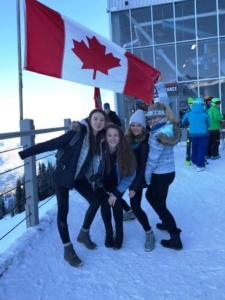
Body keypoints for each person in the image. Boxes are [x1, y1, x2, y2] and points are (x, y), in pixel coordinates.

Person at [18, 109, 108, 268]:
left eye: (102, 119)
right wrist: (25, 153)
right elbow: (52, 144)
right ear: (90, 119)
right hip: (63, 176)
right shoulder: (77, 133)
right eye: (96, 119)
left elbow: (94, 162)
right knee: (63, 211)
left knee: (96, 201)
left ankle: (83, 234)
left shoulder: (99, 139)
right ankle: (68, 249)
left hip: (79, 176)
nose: (99, 122)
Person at [145, 102, 182, 250]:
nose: (151, 121)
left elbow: (152, 160)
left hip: (160, 174)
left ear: (162, 117)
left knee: (160, 205)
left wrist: (147, 178)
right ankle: (166, 222)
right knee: (149, 196)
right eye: (149, 119)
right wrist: (159, 84)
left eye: (154, 118)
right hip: (169, 172)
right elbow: (165, 103)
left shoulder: (157, 135)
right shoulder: (167, 127)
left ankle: (175, 238)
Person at [97, 124, 136, 250]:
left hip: (118, 184)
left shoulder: (126, 151)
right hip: (103, 184)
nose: (112, 138)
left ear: (120, 136)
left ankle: (119, 233)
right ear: (105, 137)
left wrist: (116, 193)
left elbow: (130, 176)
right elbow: (96, 166)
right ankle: (109, 232)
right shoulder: (101, 148)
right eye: (109, 135)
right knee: (104, 206)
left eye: (115, 135)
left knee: (116, 204)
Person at [121, 109, 155, 252]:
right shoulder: (127, 139)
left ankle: (149, 232)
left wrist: (134, 187)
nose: (135, 128)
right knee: (111, 194)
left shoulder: (144, 143)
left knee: (136, 206)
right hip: (126, 176)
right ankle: (129, 211)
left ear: (143, 127)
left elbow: (142, 168)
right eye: (133, 125)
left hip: (138, 180)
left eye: (138, 125)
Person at [182, 97, 210, 171]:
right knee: (202, 149)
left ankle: (194, 160)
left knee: (195, 147)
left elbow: (183, 122)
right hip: (204, 134)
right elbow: (209, 123)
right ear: (202, 104)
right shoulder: (205, 113)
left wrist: (189, 124)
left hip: (193, 133)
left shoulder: (189, 113)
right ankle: (200, 165)